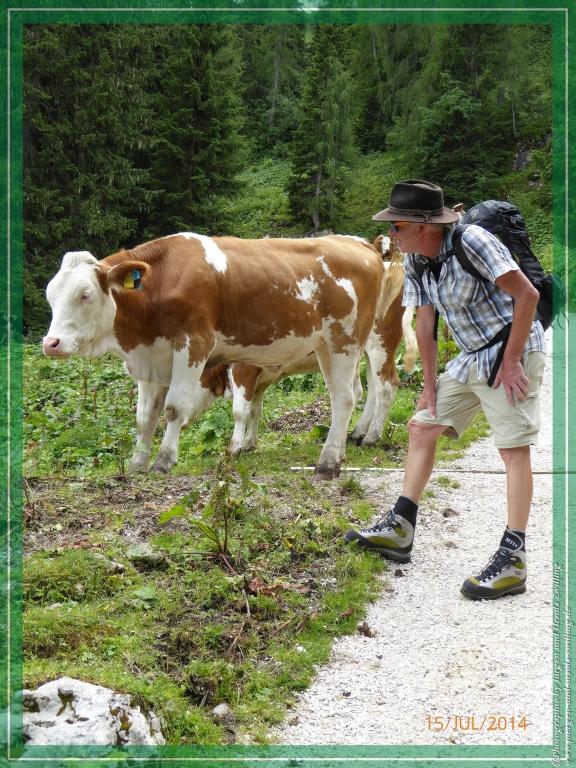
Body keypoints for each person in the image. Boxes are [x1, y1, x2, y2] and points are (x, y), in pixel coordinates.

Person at [345, 180, 546, 600]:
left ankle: (514, 557)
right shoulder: (418, 259)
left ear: (423, 225)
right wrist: (430, 388)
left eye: (396, 226)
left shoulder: (473, 242)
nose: (392, 235)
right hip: (471, 355)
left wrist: (511, 362)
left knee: (512, 449)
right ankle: (401, 528)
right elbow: (425, 325)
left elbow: (527, 295)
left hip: (513, 349)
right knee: (423, 426)